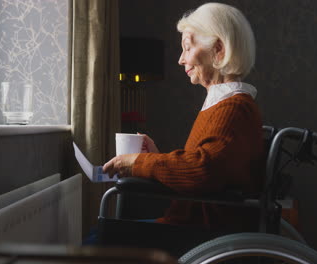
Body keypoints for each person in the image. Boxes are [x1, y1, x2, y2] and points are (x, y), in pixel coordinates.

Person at [103, 1, 264, 242]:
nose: (180, 59)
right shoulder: (223, 103)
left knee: (97, 240)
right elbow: (206, 165)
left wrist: (141, 163)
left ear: (218, 49)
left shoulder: (234, 107)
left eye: (187, 48)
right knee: (100, 235)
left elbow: (202, 171)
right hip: (190, 226)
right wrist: (158, 159)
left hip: (197, 233)